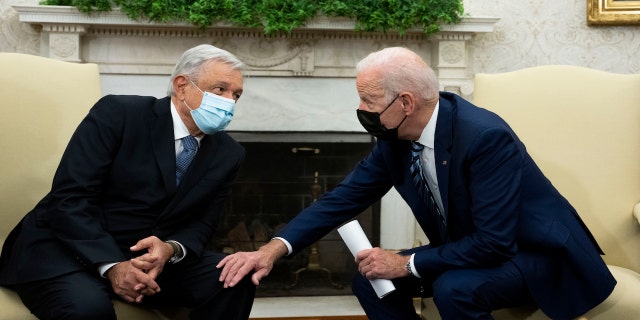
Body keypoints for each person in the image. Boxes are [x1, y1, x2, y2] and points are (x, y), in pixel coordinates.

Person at [217, 47, 616, 320]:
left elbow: (496, 242)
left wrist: (406, 262)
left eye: (368, 101)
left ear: (405, 103)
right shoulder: (395, 139)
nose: (360, 110)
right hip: (475, 248)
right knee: (371, 280)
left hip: (535, 253)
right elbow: (341, 199)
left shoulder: (484, 137)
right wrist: (271, 250)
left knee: (454, 289)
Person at [0, 44, 255, 319]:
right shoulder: (119, 113)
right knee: (88, 310)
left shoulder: (229, 153)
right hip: (69, 250)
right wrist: (113, 265)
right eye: (220, 89)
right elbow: (69, 199)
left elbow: (203, 223)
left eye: (236, 95)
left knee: (235, 276)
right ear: (182, 86)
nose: (229, 101)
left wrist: (171, 249)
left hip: (151, 262)